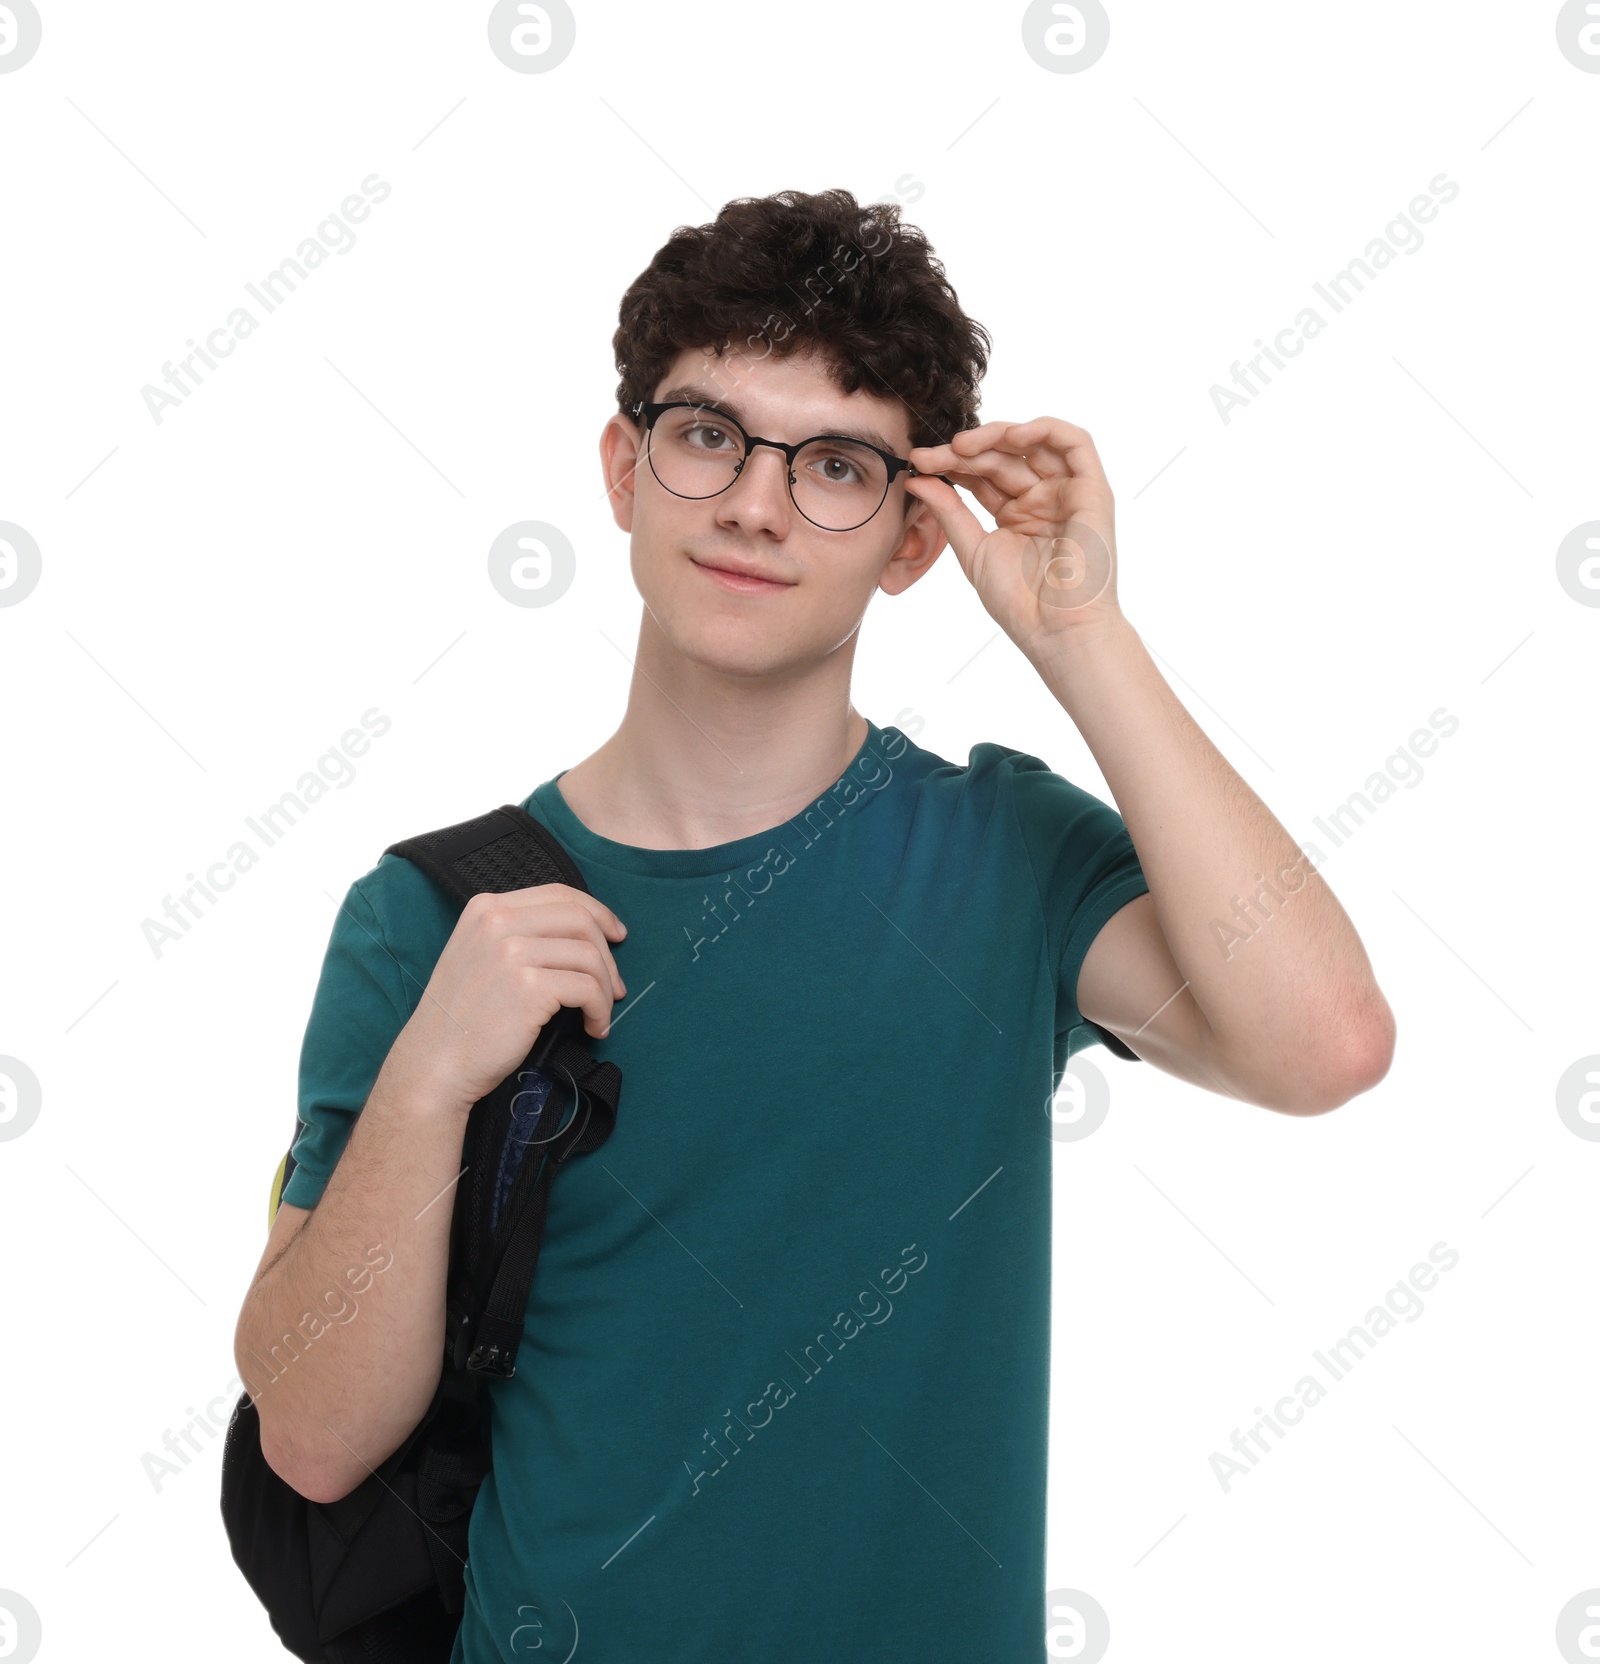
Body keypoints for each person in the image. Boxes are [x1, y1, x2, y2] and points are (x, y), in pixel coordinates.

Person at [233, 187, 1395, 1661]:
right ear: (625, 467)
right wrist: (427, 1080)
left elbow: (1327, 1044)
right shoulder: (430, 916)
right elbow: (317, 1442)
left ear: (912, 541)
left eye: (836, 465)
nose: (756, 502)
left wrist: (1080, 634)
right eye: (710, 434)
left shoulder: (1002, 856)